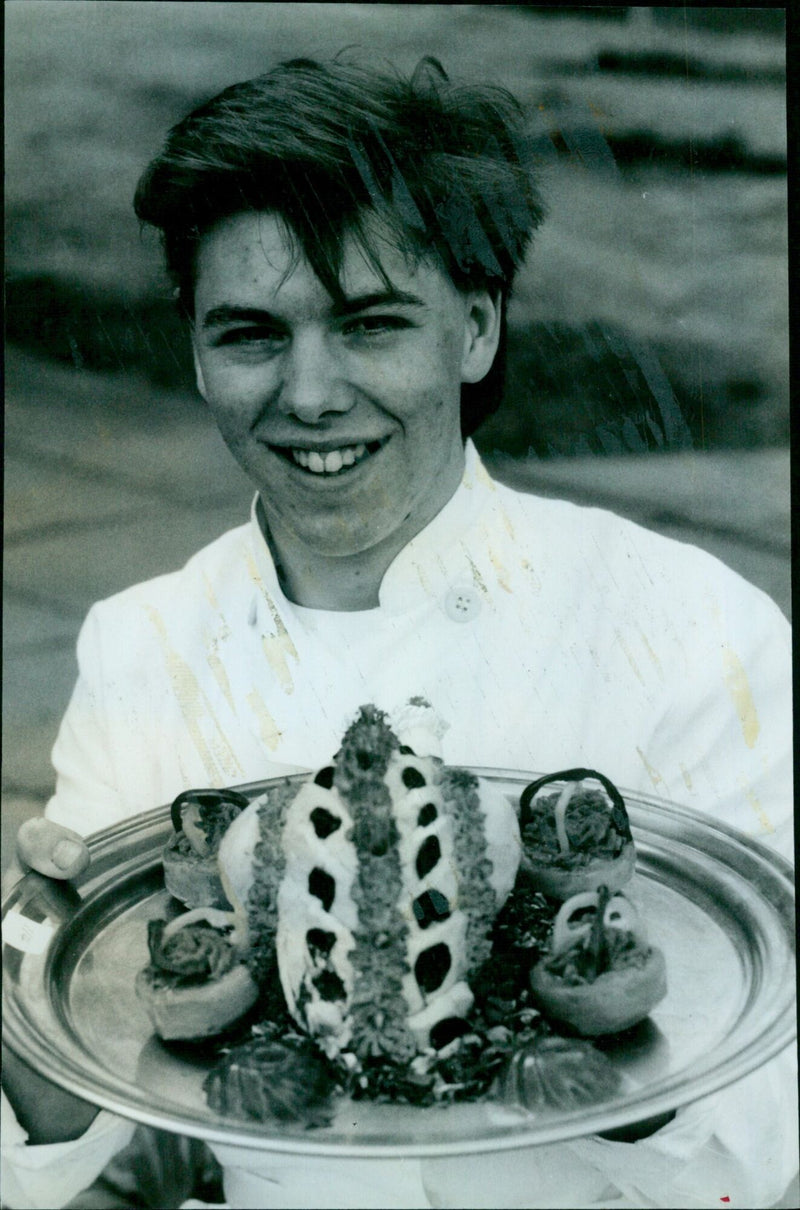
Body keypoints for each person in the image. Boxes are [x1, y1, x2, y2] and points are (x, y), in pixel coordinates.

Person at [2, 57, 795, 1210]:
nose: (310, 393)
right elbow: (76, 1141)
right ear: (194, 350)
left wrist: (586, 989)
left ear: (474, 330)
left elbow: (763, 1139)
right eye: (249, 334)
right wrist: (30, 1014)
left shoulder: (683, 622)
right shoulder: (144, 643)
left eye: (370, 324)